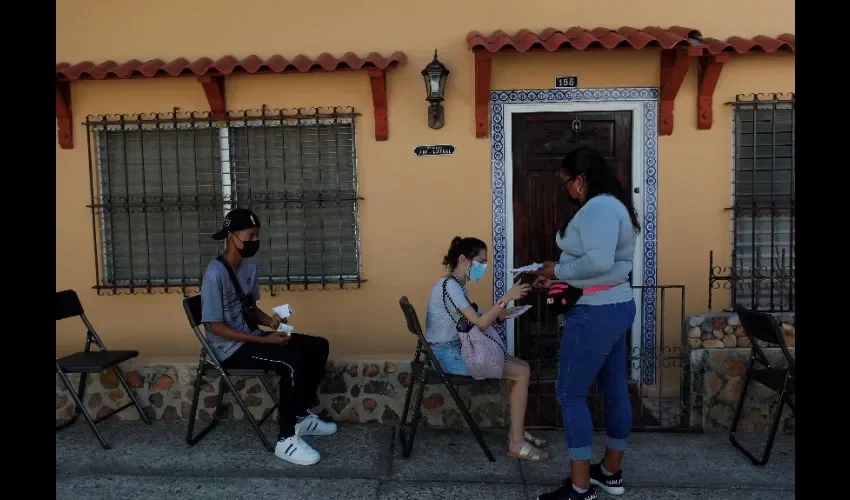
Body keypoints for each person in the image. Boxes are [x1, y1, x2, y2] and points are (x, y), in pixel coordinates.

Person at [535, 147, 640, 500]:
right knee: (613, 387)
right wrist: (557, 277)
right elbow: (602, 264)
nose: (565, 190)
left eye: (565, 182)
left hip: (595, 312)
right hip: (612, 305)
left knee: (570, 392)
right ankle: (609, 472)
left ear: (580, 180)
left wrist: (557, 271)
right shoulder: (612, 206)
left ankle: (580, 487)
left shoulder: (598, 207)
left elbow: (596, 261)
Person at [200, 208, 336, 466]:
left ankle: (300, 416)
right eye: (249, 236)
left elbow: (250, 308)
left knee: (318, 346)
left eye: (256, 236)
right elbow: (214, 326)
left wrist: (271, 323)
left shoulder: (249, 266)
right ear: (232, 237)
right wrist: (264, 340)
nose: (254, 242)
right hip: (229, 349)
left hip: (251, 337)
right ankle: (286, 440)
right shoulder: (214, 274)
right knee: (292, 361)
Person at [424, 236, 549, 462]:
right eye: (480, 261)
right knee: (521, 372)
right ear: (463, 260)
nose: (483, 267)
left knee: (522, 367)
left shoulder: (455, 285)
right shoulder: (450, 286)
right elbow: (480, 324)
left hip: (451, 350)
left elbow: (477, 317)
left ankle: (516, 431)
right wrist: (505, 299)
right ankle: (516, 443)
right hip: (446, 356)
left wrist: (501, 314)